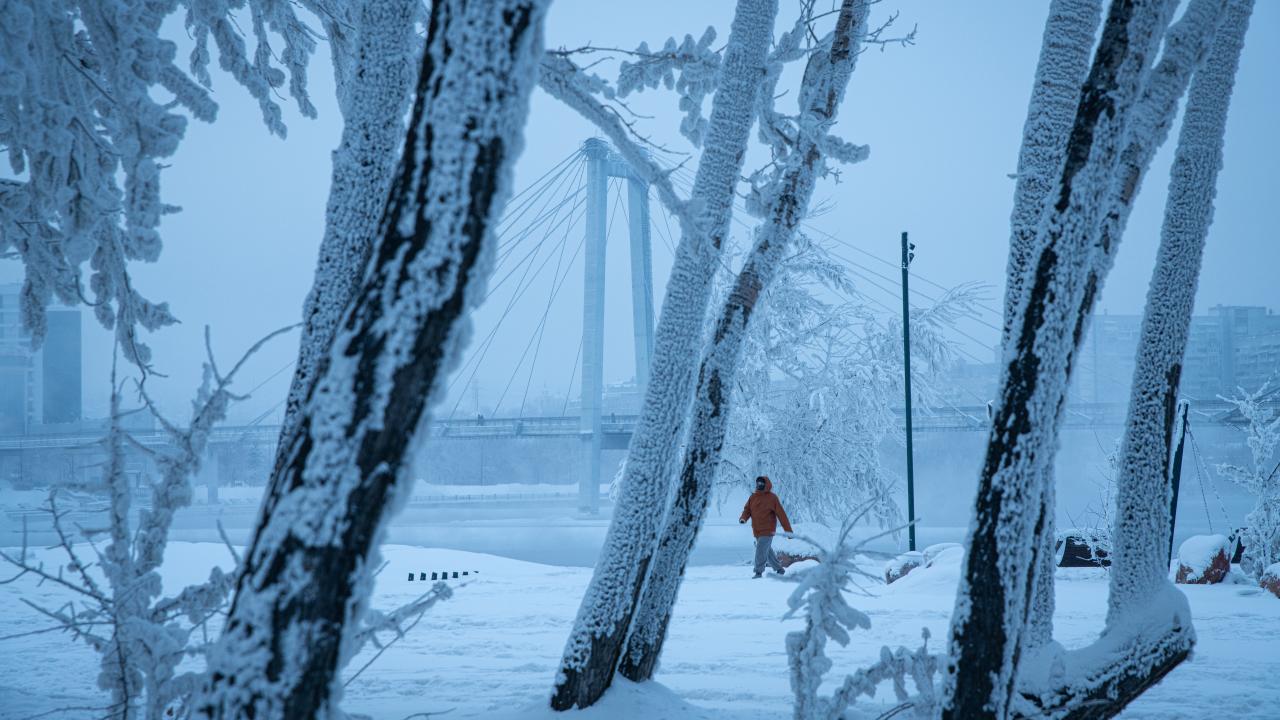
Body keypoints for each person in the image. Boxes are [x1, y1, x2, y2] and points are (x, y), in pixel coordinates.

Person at [739, 475, 793, 578]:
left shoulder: (772, 498)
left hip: (768, 530)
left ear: (766, 484)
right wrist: (743, 518)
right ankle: (779, 569)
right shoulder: (753, 497)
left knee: (760, 550)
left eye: (761, 483)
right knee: (767, 551)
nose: (759, 484)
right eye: (758, 483)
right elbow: (747, 510)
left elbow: (781, 515)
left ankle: (758, 572)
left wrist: (788, 531)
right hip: (757, 530)